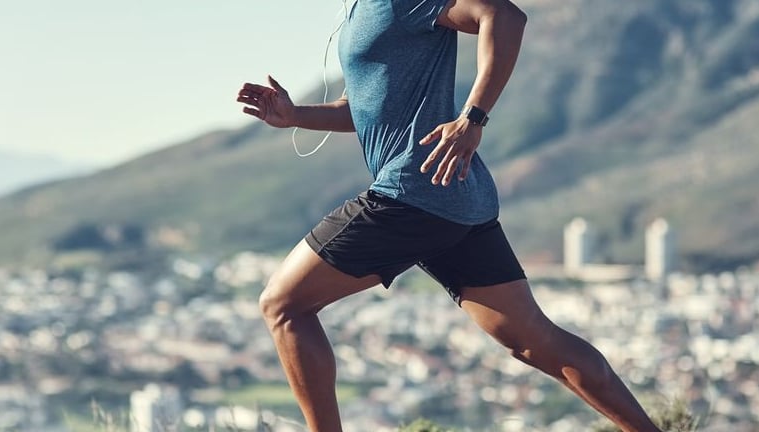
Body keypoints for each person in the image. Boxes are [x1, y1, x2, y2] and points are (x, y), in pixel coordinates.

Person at [237, 0, 662, 431]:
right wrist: (295, 116)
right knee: (534, 341)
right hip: (455, 198)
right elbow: (365, 106)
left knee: (283, 305)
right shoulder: (361, 11)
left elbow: (505, 15)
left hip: (412, 192)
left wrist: (472, 118)